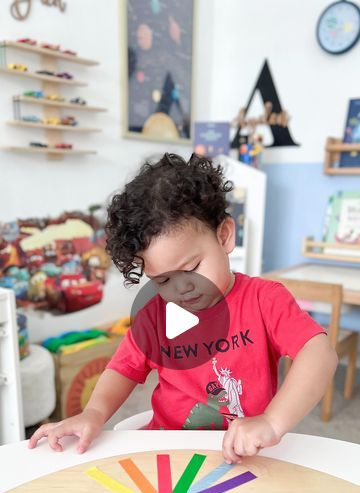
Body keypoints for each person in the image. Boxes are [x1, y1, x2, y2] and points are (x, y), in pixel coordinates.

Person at [28, 153, 338, 463]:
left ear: (224, 235)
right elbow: (123, 369)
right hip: (168, 451)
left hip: (245, 454)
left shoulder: (264, 300)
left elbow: (319, 353)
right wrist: (93, 413)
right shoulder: (155, 316)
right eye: (163, 280)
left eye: (192, 267)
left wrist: (272, 422)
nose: (182, 288)